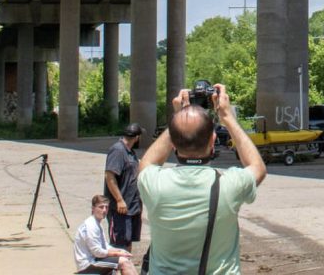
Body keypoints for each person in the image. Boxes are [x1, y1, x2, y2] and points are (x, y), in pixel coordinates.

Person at [137, 83, 267, 274]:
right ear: (213, 140)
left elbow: (146, 164)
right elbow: (257, 167)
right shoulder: (229, 185)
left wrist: (179, 117)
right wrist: (227, 116)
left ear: (173, 143)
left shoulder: (155, 184)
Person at [105, 122, 145, 253]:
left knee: (127, 242)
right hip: (121, 209)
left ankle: (126, 270)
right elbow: (110, 176)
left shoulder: (130, 152)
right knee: (119, 244)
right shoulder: (118, 150)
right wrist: (119, 200)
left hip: (132, 207)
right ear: (137, 137)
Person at [73, 194, 138, 274]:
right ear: (93, 208)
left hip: (95, 259)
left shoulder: (96, 223)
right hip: (88, 264)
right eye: (101, 207)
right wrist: (117, 253)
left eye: (106, 207)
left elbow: (105, 246)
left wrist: (121, 251)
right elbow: (97, 252)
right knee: (124, 262)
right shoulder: (91, 225)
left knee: (124, 259)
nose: (104, 210)